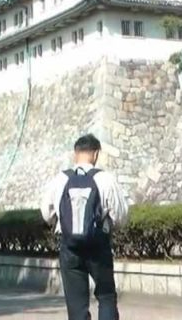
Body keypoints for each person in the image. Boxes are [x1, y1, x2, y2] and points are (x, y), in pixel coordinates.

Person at [40, 134, 129, 320]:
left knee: (76, 305)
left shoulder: (60, 179)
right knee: (106, 296)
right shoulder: (105, 179)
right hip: (98, 245)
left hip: (69, 246)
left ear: (75, 154)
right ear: (96, 154)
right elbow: (121, 216)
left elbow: (46, 214)